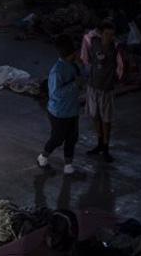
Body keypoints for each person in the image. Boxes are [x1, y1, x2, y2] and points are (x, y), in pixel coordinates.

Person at [37, 35, 81, 175]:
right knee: (57, 138)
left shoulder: (73, 66)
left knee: (72, 138)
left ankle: (68, 166)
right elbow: (55, 94)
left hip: (72, 110)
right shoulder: (57, 71)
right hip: (59, 112)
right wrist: (74, 85)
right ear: (71, 53)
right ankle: (42, 157)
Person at [83, 20, 124, 162]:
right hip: (93, 86)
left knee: (106, 119)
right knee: (95, 116)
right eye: (106, 34)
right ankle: (100, 143)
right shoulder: (94, 42)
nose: (109, 37)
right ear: (101, 34)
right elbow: (87, 57)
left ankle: (106, 147)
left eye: (112, 35)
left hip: (106, 88)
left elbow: (121, 68)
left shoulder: (116, 48)